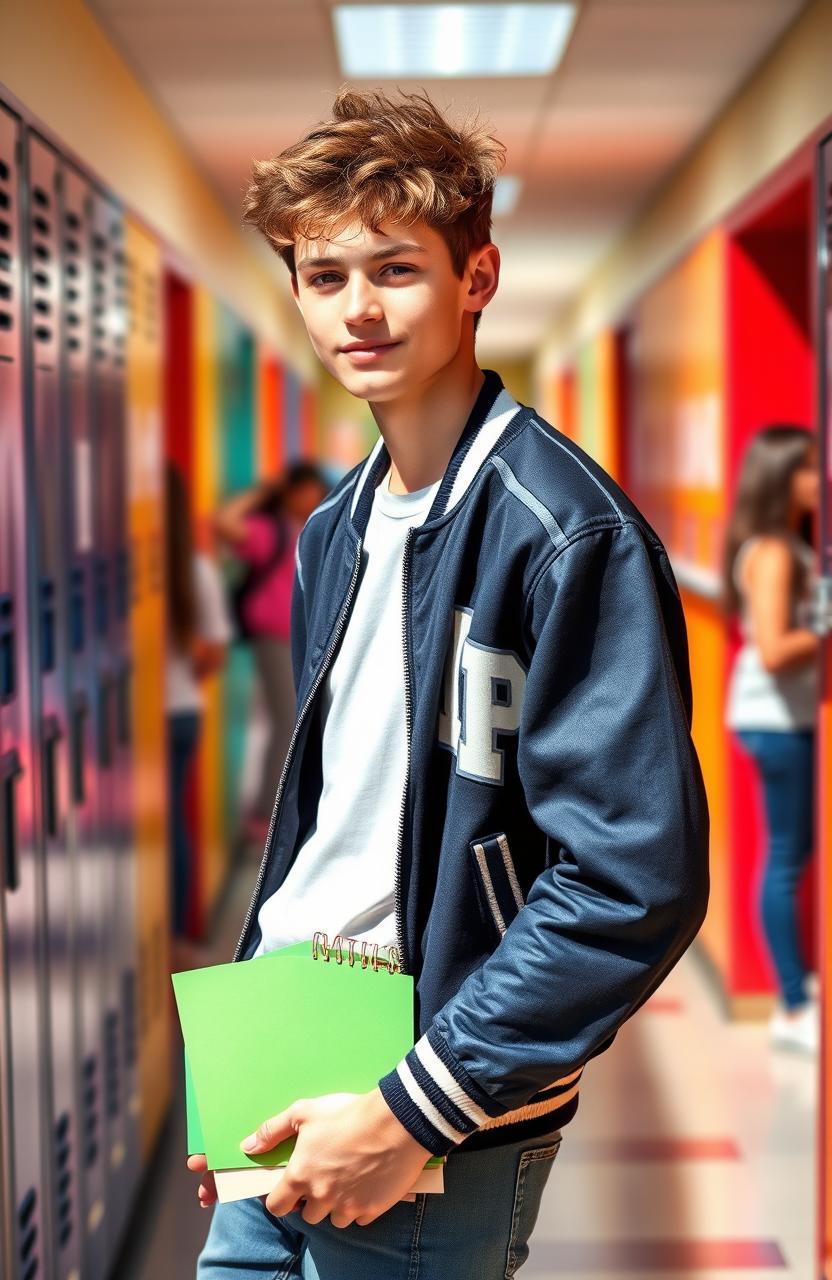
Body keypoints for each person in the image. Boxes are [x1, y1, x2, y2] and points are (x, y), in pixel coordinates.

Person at [189, 89, 710, 1279]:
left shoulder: (565, 534)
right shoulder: (338, 526)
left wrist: (413, 1106)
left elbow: (634, 877)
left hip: (434, 1116)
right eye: (324, 277)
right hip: (291, 1071)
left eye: (395, 269)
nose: (357, 309)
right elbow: (345, 830)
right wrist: (247, 1061)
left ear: (476, 277)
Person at [724, 425, 821, 1054]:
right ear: (782, 477)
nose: (820, 480)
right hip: (777, 720)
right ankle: (790, 1004)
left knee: (793, 853)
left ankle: (795, 992)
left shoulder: (783, 544)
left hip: (782, 718)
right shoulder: (776, 553)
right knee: (786, 859)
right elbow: (777, 649)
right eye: (810, 469)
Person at [215, 463, 330, 841]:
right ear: (291, 492)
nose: (312, 497)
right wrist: (267, 490)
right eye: (305, 490)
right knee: (286, 723)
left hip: (303, 637)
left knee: (296, 722)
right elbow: (224, 522)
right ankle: (266, 815)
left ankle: (280, 809)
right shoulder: (273, 531)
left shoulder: (315, 525)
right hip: (274, 638)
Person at [166, 463, 233, 947]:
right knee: (173, 826)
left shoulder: (136, 566)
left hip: (149, 725)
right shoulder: (196, 569)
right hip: (183, 711)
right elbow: (213, 653)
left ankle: (165, 934)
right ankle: (176, 934)